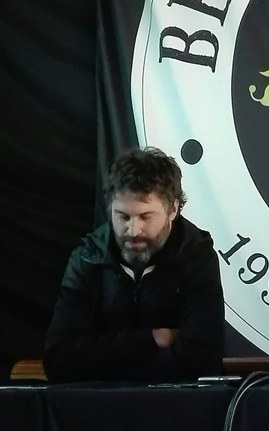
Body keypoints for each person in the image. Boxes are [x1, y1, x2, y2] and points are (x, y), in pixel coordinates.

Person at [44, 147, 224, 382]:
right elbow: (59, 360)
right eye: (123, 216)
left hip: (177, 402)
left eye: (145, 216)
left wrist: (104, 359)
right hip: (100, 402)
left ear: (172, 209)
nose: (133, 231)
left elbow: (203, 360)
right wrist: (153, 339)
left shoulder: (196, 256)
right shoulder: (88, 257)